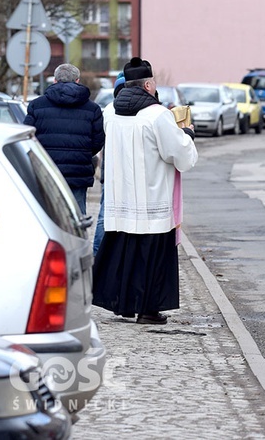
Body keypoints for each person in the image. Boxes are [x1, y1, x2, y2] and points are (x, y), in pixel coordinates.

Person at [92, 57, 197, 325]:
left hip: (120, 199)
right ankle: (149, 310)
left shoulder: (109, 112)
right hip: (152, 199)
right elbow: (176, 153)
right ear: (149, 85)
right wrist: (187, 134)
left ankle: (122, 305)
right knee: (151, 260)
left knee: (124, 255)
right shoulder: (157, 115)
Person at [23, 63, 105, 215]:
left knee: (48, 215)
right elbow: (98, 141)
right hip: (78, 171)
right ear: (78, 81)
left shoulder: (36, 105)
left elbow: (27, 136)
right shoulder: (92, 109)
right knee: (78, 216)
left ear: (54, 80)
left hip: (47, 170)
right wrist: (82, 152)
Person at [92, 73, 125, 256]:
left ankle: (98, 253)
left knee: (105, 214)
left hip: (109, 173)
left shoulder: (108, 111)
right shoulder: (114, 112)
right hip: (117, 173)